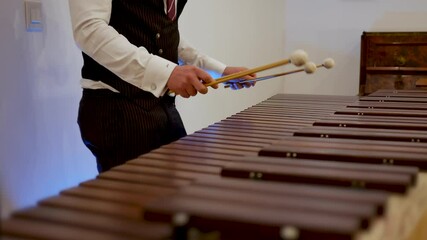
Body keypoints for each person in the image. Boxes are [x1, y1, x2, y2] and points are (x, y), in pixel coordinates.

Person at [68, 0, 255, 173]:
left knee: (176, 193)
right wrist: (167, 73)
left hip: (161, 106)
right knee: (134, 206)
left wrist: (220, 71)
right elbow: (89, 30)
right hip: (116, 109)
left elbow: (165, 32)